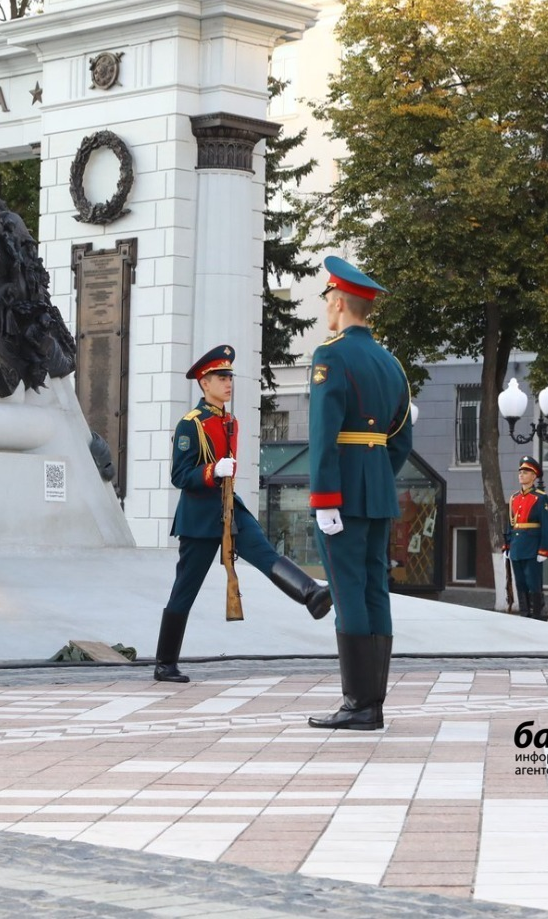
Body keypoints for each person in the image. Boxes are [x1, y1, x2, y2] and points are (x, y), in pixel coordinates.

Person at [153, 345, 332, 683]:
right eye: (222, 377)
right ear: (204, 383)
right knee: (185, 588)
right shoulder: (192, 424)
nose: (228, 383)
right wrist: (211, 471)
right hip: (200, 517)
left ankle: (311, 594)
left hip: (229, 507)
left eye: (230, 377)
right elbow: (179, 476)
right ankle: (165, 663)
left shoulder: (230, 421)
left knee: (264, 552)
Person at [305, 258, 413, 730]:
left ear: (339, 301)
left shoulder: (331, 356)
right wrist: (377, 477)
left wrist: (325, 499)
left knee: (348, 593)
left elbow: (323, 434)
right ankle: (375, 702)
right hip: (377, 492)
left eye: (329, 301)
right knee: (374, 591)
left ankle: (359, 705)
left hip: (343, 494)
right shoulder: (391, 364)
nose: (327, 310)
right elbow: (401, 439)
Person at [504, 456, 548, 621]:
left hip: (532, 548)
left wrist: (543, 550)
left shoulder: (540, 497)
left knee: (533, 583)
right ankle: (524, 613)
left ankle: (537, 614)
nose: (521, 475)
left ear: (534, 476)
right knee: (520, 583)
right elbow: (510, 524)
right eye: (520, 472)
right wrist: (507, 546)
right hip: (517, 547)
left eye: (525, 472)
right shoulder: (514, 498)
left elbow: (546, 526)